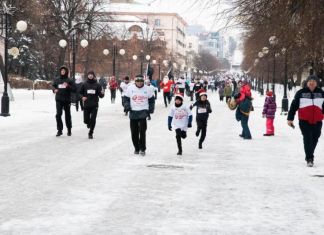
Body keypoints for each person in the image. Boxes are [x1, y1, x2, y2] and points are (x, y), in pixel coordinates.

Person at [287, 75, 324, 167]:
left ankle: (309, 154)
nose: (311, 83)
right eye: (310, 81)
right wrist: (290, 118)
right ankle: (309, 158)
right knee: (307, 138)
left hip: (318, 120)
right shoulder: (301, 93)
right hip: (304, 120)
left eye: (314, 81)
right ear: (307, 83)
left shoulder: (321, 93)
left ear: (316, 83)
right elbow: (294, 105)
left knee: (315, 138)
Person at [124, 75, 155, 156]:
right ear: (135, 82)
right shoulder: (130, 88)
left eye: (141, 81)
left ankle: (142, 148)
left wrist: (151, 108)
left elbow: (151, 100)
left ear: (143, 82)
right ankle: (136, 148)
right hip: (133, 111)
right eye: (137, 81)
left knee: (142, 131)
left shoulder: (147, 89)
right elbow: (126, 99)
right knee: (134, 132)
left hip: (143, 111)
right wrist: (127, 106)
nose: (139, 83)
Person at [79, 71, 105, 139]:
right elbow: (79, 93)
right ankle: (88, 123)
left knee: (93, 120)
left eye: (91, 75)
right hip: (86, 105)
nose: (90, 76)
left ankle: (91, 132)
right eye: (89, 74)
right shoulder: (84, 84)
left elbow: (101, 96)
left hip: (94, 105)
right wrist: (82, 97)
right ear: (87, 76)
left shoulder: (97, 85)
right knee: (86, 121)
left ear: (94, 76)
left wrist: (102, 93)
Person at [52, 66, 76, 137]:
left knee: (67, 115)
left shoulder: (69, 80)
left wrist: (68, 86)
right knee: (58, 115)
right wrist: (54, 89)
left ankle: (69, 129)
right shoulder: (57, 79)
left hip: (67, 100)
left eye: (64, 71)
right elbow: (53, 86)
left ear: (66, 72)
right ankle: (60, 130)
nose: (62, 72)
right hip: (59, 99)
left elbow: (74, 89)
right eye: (61, 70)